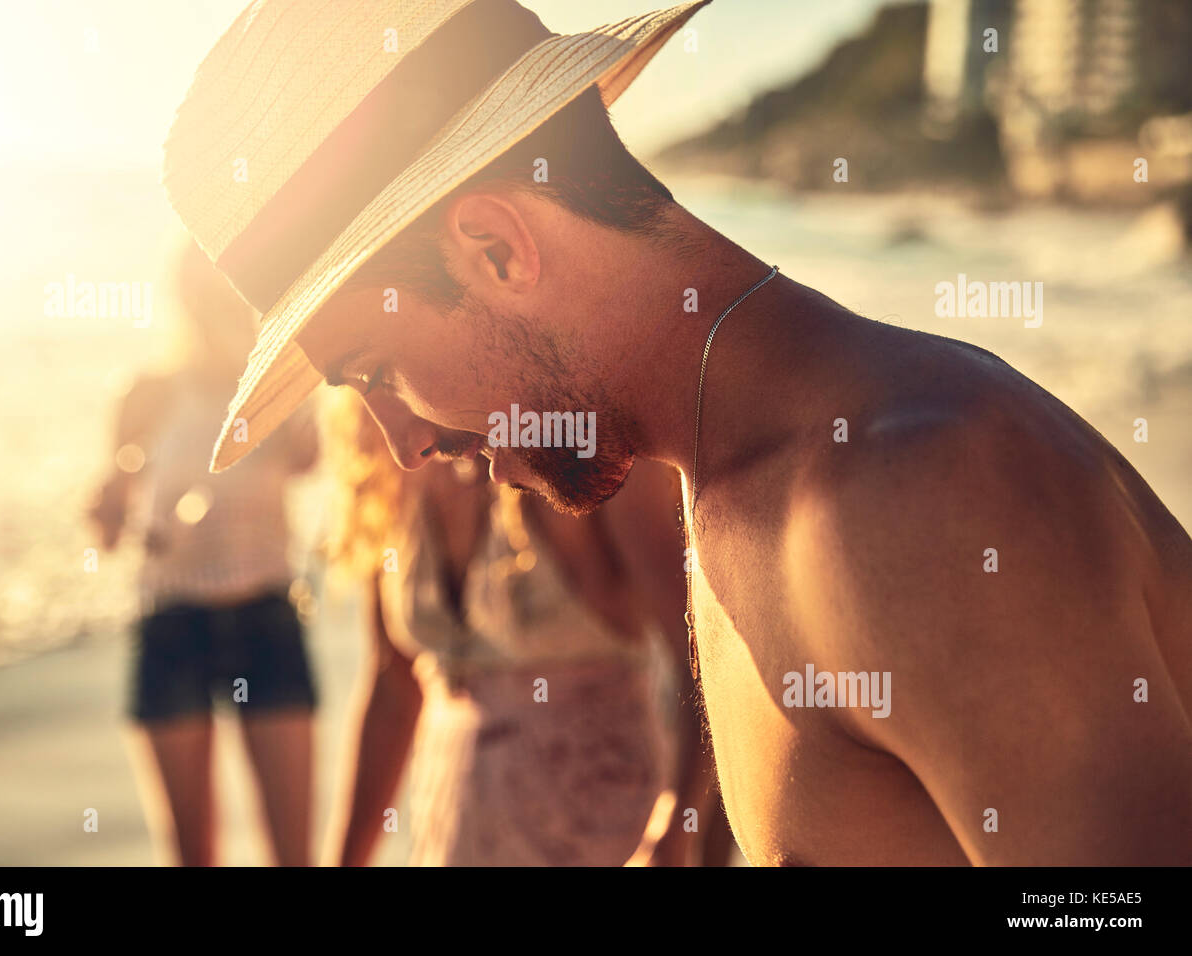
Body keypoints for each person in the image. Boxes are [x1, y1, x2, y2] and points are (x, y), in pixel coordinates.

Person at [165, 0, 1192, 864]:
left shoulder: (913, 488)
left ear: (495, 248)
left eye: (378, 372)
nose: (402, 443)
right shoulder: (727, 483)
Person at [320, 393, 727, 866]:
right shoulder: (386, 458)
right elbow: (393, 682)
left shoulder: (576, 438)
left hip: (603, 833)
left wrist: (676, 833)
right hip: (454, 827)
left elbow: (707, 654)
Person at [87, 239, 320, 866]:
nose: (209, 306)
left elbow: (315, 462)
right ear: (180, 299)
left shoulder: (277, 387)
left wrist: (281, 401)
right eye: (198, 292)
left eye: (224, 291)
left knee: (294, 857)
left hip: (266, 617)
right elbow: (106, 530)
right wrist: (109, 508)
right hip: (171, 624)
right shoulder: (148, 394)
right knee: (193, 858)